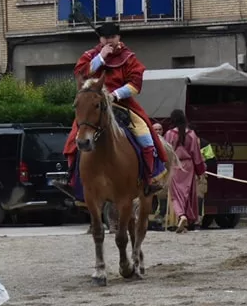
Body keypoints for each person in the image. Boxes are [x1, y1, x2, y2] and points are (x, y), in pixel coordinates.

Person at [58, 22, 168, 198]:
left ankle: (148, 180)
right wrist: (100, 58)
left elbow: (135, 84)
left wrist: (114, 95)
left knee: (145, 136)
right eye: (105, 38)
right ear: (100, 39)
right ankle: (71, 180)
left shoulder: (129, 57)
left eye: (112, 37)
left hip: (122, 103)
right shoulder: (90, 55)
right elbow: (81, 74)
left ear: (119, 37)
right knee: (73, 139)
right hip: (93, 106)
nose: (109, 40)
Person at [164, 110, 206, 233]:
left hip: (175, 165)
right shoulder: (192, 134)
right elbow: (197, 155)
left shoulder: (169, 134)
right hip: (188, 165)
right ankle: (188, 220)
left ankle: (181, 215)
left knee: (176, 195)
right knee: (188, 193)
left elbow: (166, 152)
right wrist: (200, 171)